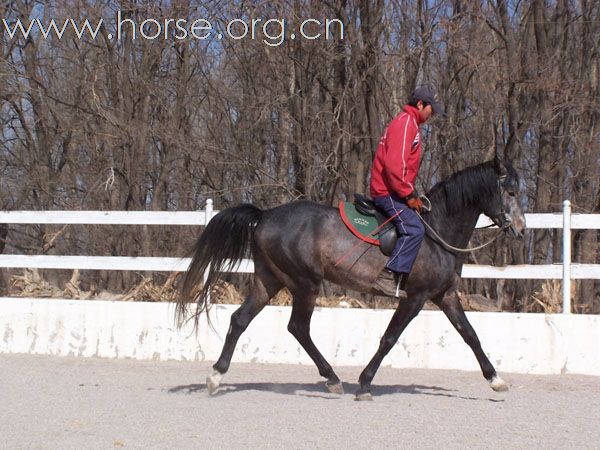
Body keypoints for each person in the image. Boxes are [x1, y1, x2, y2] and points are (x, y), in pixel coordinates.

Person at [369, 86, 442, 298]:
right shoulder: (406, 124)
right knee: (414, 228)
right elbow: (394, 167)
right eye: (431, 109)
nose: (432, 114)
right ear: (420, 104)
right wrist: (409, 196)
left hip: (396, 189)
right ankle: (388, 276)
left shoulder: (408, 123)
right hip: (387, 191)